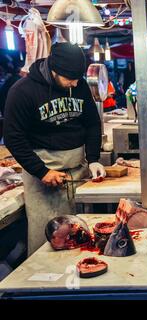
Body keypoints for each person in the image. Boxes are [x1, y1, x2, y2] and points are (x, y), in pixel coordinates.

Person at [4, 42, 105, 255]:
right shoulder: (22, 92)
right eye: (70, 78)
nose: (75, 83)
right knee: (47, 243)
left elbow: (92, 123)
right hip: (43, 176)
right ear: (54, 70)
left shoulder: (79, 86)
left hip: (78, 170)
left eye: (78, 78)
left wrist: (94, 158)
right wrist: (42, 171)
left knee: (82, 238)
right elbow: (14, 138)